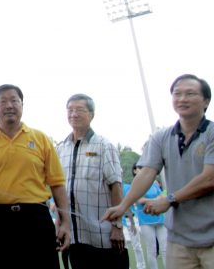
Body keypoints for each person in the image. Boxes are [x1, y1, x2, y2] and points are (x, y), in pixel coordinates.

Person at [105, 74, 214, 269]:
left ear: (206, 101)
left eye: (190, 94)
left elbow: (209, 179)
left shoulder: (211, 134)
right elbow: (147, 173)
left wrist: (169, 200)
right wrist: (123, 206)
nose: (182, 99)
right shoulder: (161, 137)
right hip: (179, 239)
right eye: (177, 94)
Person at [0, 84, 71, 268]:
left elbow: (57, 183)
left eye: (14, 100)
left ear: (22, 105)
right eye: (2, 102)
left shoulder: (41, 139)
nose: (9, 105)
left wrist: (66, 223)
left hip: (36, 218)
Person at [56, 94, 127, 268]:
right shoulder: (60, 149)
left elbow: (116, 187)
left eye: (80, 110)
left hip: (103, 237)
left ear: (91, 114)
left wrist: (117, 226)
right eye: (70, 110)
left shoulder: (104, 146)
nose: (74, 114)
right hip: (75, 237)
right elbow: (58, 189)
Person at [131, 164, 167, 269]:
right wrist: (155, 200)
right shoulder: (135, 184)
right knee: (152, 250)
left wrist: (152, 200)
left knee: (165, 249)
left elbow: (162, 196)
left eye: (143, 167)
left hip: (160, 219)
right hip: (146, 221)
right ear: (134, 171)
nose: (141, 170)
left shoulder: (153, 182)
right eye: (139, 168)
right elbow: (139, 200)